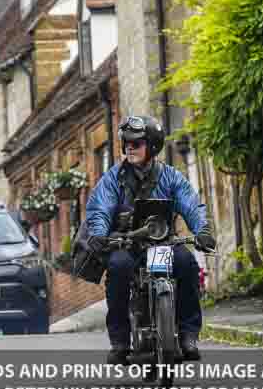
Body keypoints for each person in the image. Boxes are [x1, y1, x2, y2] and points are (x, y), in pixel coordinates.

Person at [85, 114, 216, 365]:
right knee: (118, 268)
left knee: (187, 264)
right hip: (127, 246)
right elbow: (100, 208)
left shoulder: (170, 176)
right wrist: (100, 234)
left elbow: (191, 204)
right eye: (127, 143)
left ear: (153, 146)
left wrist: (202, 230)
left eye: (137, 143)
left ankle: (188, 334)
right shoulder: (113, 179)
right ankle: (120, 341)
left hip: (161, 246)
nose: (130, 148)